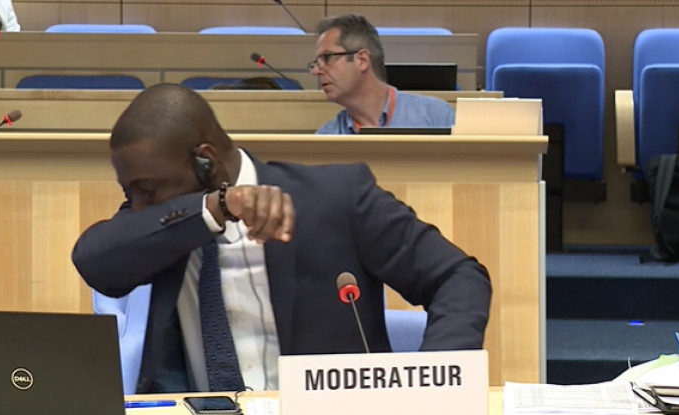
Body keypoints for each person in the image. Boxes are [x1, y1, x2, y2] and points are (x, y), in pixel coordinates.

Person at [72, 83, 491, 394]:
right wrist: (216, 208)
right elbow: (95, 262)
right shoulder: (161, 221)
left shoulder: (336, 198)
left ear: (206, 161)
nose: (140, 206)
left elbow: (458, 277)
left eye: (148, 190)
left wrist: (435, 383)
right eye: (130, 193)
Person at [311, 14, 454, 134]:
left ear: (362, 60)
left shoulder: (436, 116)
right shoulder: (326, 139)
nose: (316, 71)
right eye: (317, 62)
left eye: (327, 57)